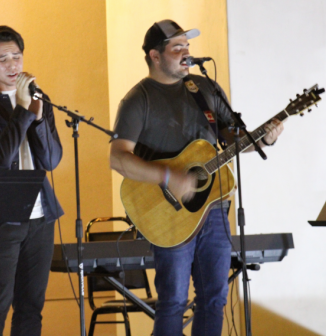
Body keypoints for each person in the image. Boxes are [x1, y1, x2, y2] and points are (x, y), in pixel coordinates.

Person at [109, 20, 284, 336]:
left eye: (187, 48)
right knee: (173, 301)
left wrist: (264, 138)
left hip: (214, 210)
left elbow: (233, 139)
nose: (186, 54)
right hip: (169, 213)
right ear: (155, 56)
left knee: (214, 299)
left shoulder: (204, 90)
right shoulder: (138, 99)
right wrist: (166, 175)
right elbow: (119, 157)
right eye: (177, 49)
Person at [0, 25, 64, 336]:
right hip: (0, 218)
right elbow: (1, 158)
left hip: (40, 216)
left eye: (16, 57)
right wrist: (21, 110)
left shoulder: (38, 99)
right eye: (2, 59)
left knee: (31, 306)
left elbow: (51, 160)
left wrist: (39, 114)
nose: (12, 65)